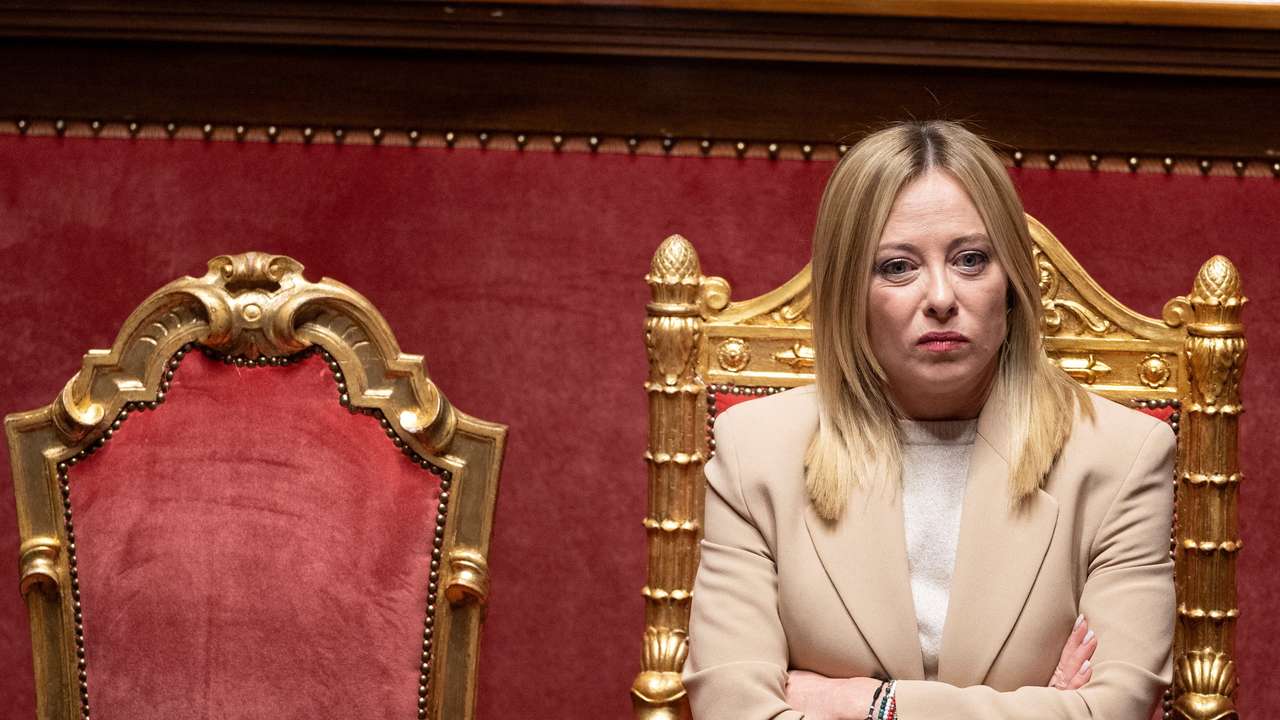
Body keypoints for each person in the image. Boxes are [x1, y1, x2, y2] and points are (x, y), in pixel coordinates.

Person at [682, 121, 1175, 719]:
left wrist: (870, 705)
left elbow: (1113, 710)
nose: (941, 297)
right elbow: (734, 709)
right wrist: (1037, 708)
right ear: (848, 292)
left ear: (1011, 283)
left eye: (971, 260)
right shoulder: (756, 452)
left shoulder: (1122, 456)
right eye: (897, 267)